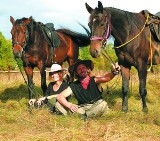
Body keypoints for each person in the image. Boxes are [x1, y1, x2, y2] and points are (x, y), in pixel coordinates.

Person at [55, 59, 121, 119]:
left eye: (83, 67)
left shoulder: (94, 80)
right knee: (58, 104)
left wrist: (114, 72)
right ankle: (84, 116)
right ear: (76, 72)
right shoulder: (74, 85)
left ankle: (80, 116)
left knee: (103, 104)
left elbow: (106, 78)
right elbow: (60, 96)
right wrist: (69, 105)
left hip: (96, 106)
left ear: (87, 69)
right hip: (82, 109)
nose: (82, 70)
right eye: (79, 69)